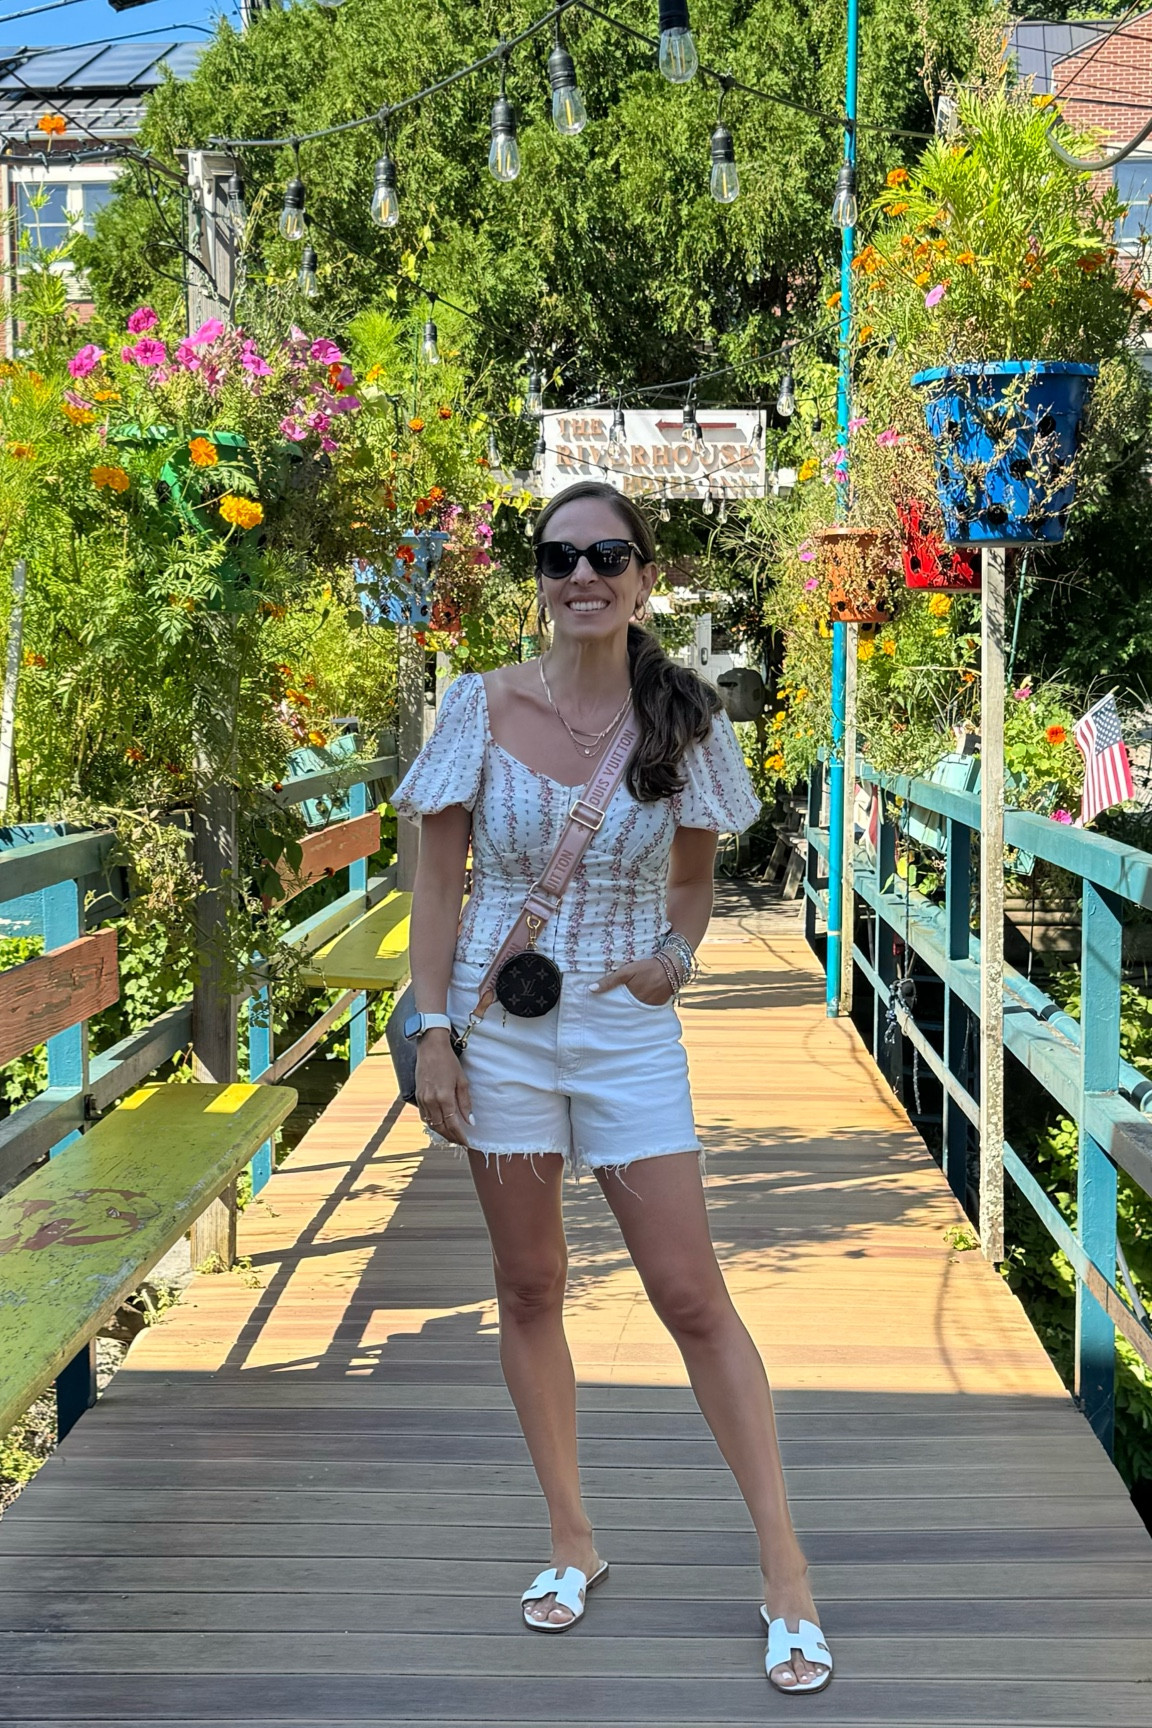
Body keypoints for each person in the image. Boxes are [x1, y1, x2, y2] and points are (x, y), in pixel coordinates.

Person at [393, 479, 832, 1694]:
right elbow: (437, 888)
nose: (582, 577)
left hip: (625, 1033)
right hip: (500, 1026)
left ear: (645, 577)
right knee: (528, 1283)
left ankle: (785, 1567)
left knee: (691, 1293)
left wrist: (676, 961)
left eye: (608, 557)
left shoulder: (684, 723)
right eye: (559, 558)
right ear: (536, 577)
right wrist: (433, 1031)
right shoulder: (477, 709)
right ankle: (573, 1540)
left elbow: (693, 888)